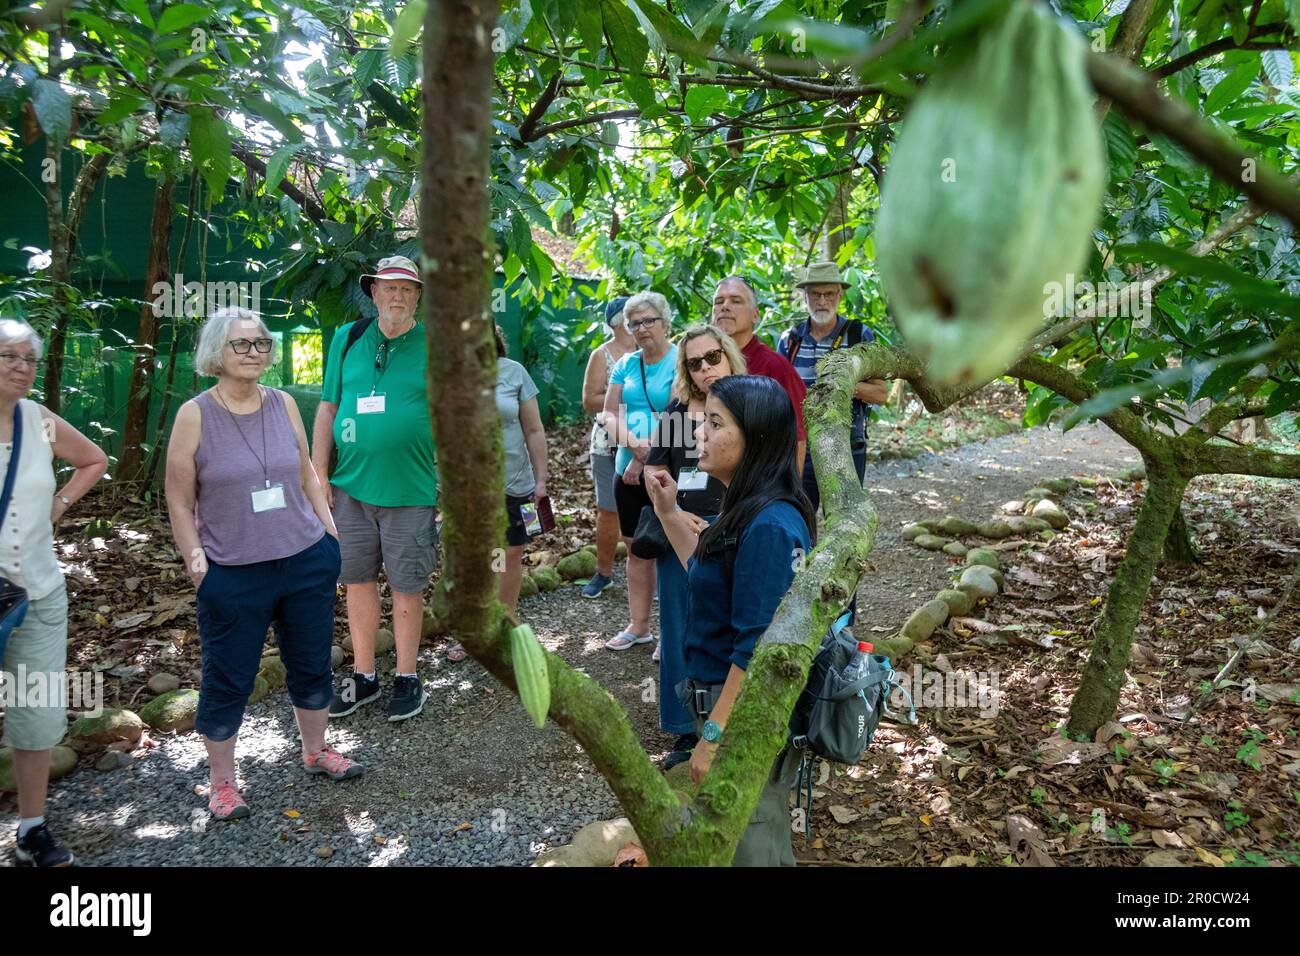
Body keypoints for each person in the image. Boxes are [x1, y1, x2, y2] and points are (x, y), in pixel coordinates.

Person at [167, 308, 360, 822]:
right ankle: (223, 785)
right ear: (217, 353)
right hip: (232, 570)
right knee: (228, 677)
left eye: (262, 344)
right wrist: (198, 568)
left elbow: (305, 473)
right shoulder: (195, 414)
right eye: (241, 345)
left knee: (313, 662)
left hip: (304, 559)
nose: (254, 353)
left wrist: (330, 533)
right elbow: (179, 499)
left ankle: (316, 751)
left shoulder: (284, 404)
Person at [645, 375, 815, 867]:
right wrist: (668, 509)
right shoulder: (746, 510)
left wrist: (715, 737)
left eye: (715, 423)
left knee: (751, 844)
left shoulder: (769, 525)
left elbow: (759, 647)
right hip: (726, 708)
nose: (699, 430)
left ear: (756, 437)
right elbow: (705, 568)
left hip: (740, 715)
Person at [0, 320, 108, 865]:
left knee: (35, 711)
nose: (21, 367)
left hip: (37, 591)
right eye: (8, 356)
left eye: (29, 359)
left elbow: (93, 460)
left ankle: (32, 828)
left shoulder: (35, 421)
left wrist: (59, 505)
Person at [312, 255, 438, 722]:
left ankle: (407, 677)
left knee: (407, 585)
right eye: (389, 288)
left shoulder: (434, 346)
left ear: (418, 297)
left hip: (411, 488)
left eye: (407, 289)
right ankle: (364, 675)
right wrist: (318, 475)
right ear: (374, 293)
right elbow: (328, 408)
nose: (397, 297)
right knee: (356, 581)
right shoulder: (347, 340)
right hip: (349, 489)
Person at [644, 325, 745, 769]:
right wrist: (674, 512)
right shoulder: (678, 411)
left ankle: (726, 723)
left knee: (730, 627)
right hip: (679, 526)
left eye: (713, 357)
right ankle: (685, 730)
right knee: (679, 628)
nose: (705, 368)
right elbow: (653, 469)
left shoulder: (748, 403)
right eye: (694, 362)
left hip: (733, 526)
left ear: (728, 356)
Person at [446, 327, 548, 659]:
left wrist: (541, 479)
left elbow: (533, 430)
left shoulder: (514, 372)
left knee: (511, 554)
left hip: (516, 482)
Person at [595, 291, 677, 653]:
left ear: (665, 322)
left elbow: (679, 413)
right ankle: (639, 626)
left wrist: (645, 459)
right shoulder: (626, 363)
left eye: (649, 321)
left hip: (668, 469)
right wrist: (635, 449)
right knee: (635, 548)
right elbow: (608, 413)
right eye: (634, 323)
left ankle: (672, 631)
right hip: (625, 469)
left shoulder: (680, 360)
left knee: (674, 547)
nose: (642, 329)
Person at [777, 260, 888, 512]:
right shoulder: (790, 340)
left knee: (845, 516)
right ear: (805, 296)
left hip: (846, 446)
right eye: (815, 294)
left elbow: (881, 394)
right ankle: (804, 554)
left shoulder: (859, 335)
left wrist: (841, 385)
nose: (822, 301)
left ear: (840, 295)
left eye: (829, 294)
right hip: (798, 446)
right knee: (798, 514)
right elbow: (776, 395)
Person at [710, 276, 808, 475]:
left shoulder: (774, 366)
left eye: (736, 301)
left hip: (758, 481)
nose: (725, 306)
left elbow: (797, 437)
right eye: (719, 301)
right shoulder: (701, 363)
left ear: (755, 315)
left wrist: (791, 495)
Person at [579, 297, 636, 599]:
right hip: (607, 443)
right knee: (608, 510)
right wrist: (627, 394)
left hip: (646, 441)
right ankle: (603, 573)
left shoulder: (649, 352)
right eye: (631, 317)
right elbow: (589, 401)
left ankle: (645, 571)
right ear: (617, 321)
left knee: (648, 506)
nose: (637, 322)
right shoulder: (601, 355)